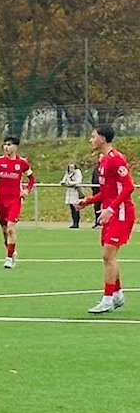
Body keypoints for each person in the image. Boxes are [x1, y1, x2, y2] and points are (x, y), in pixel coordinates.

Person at [76, 124, 134, 314]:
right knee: (108, 256)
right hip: (110, 214)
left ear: (102, 138)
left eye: (93, 137)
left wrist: (111, 208)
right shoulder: (103, 161)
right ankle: (117, 294)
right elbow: (107, 192)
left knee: (108, 256)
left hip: (121, 214)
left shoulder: (116, 159)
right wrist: (88, 201)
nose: (91, 140)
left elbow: (129, 187)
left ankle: (108, 299)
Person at [0, 135, 35, 268]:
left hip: (14, 200)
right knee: (5, 230)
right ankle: (10, 250)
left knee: (11, 228)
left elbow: (32, 179)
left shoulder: (22, 163)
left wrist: (26, 190)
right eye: (5, 144)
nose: (6, 147)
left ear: (15, 147)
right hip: (0, 200)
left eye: (9, 145)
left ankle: (9, 259)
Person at [61, 161, 84, 228]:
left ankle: (76, 223)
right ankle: (74, 222)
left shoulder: (77, 172)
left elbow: (79, 181)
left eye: (72, 167)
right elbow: (64, 180)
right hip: (69, 192)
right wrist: (63, 183)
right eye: (70, 167)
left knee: (76, 207)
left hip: (75, 192)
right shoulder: (67, 173)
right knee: (71, 207)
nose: (71, 169)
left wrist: (70, 183)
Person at [90, 159, 104, 228]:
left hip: (105, 189)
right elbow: (93, 178)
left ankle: (104, 221)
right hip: (96, 190)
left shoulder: (107, 167)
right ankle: (97, 221)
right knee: (96, 206)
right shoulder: (96, 168)